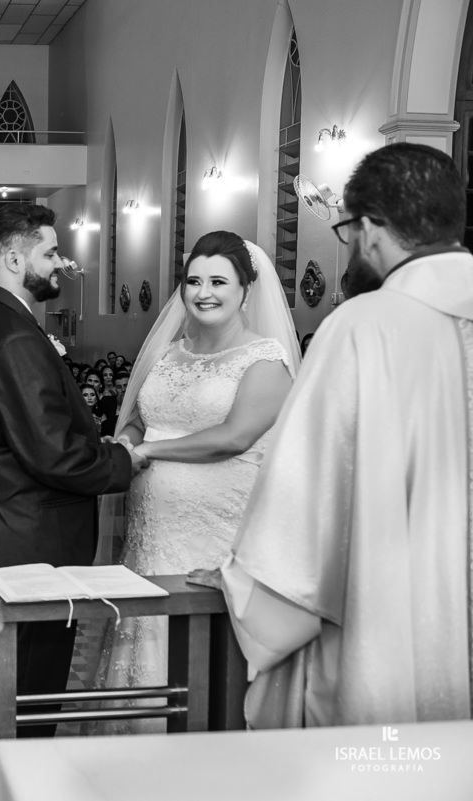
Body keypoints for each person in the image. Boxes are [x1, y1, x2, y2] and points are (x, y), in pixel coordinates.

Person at [214, 143, 473, 728]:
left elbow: (300, 501)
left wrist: (250, 587)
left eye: (345, 230)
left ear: (373, 228)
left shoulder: (362, 327)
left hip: (393, 629)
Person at [91, 230, 299, 733]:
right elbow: (140, 416)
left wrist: (148, 451)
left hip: (212, 535)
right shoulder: (169, 353)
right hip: (151, 534)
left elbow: (233, 437)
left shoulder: (266, 362)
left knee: (198, 653)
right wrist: (126, 441)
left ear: (246, 289)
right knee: (143, 632)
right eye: (193, 280)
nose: (203, 292)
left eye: (218, 281)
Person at [0, 204, 140, 776]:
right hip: (25, 543)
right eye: (49, 251)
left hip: (4, 533)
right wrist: (123, 460)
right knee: (24, 703)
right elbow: (52, 453)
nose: (61, 262)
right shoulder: (14, 337)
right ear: (14, 259)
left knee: (2, 698)